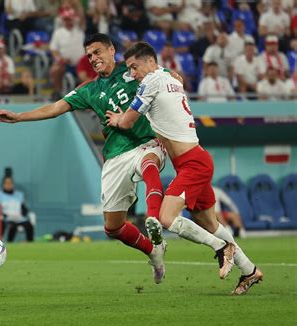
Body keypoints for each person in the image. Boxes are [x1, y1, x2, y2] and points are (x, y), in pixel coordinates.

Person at [0, 33, 168, 284]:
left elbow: (164, 76)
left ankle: (153, 219)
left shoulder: (133, 69)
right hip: (116, 154)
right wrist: (19, 116)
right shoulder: (89, 89)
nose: (93, 58)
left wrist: (173, 77)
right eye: (89, 56)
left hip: (146, 142)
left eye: (97, 52)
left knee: (149, 161)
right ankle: (153, 251)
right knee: (113, 227)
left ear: (111, 50)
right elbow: (55, 108)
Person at [105, 41, 263, 295]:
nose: (132, 73)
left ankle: (222, 248)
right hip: (196, 159)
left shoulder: (151, 81)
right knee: (209, 221)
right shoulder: (169, 77)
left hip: (193, 165)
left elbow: (127, 122)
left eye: (134, 67)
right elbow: (164, 107)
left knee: (166, 218)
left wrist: (116, 119)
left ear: (149, 61)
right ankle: (250, 270)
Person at [0, 174, 35, 242]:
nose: (9, 185)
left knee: (29, 225)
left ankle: (30, 244)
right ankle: (9, 243)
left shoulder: (19, 194)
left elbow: (23, 207)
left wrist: (29, 213)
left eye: (10, 183)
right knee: (12, 226)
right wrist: (2, 215)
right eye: (7, 183)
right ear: (3, 184)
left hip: (19, 218)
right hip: (6, 218)